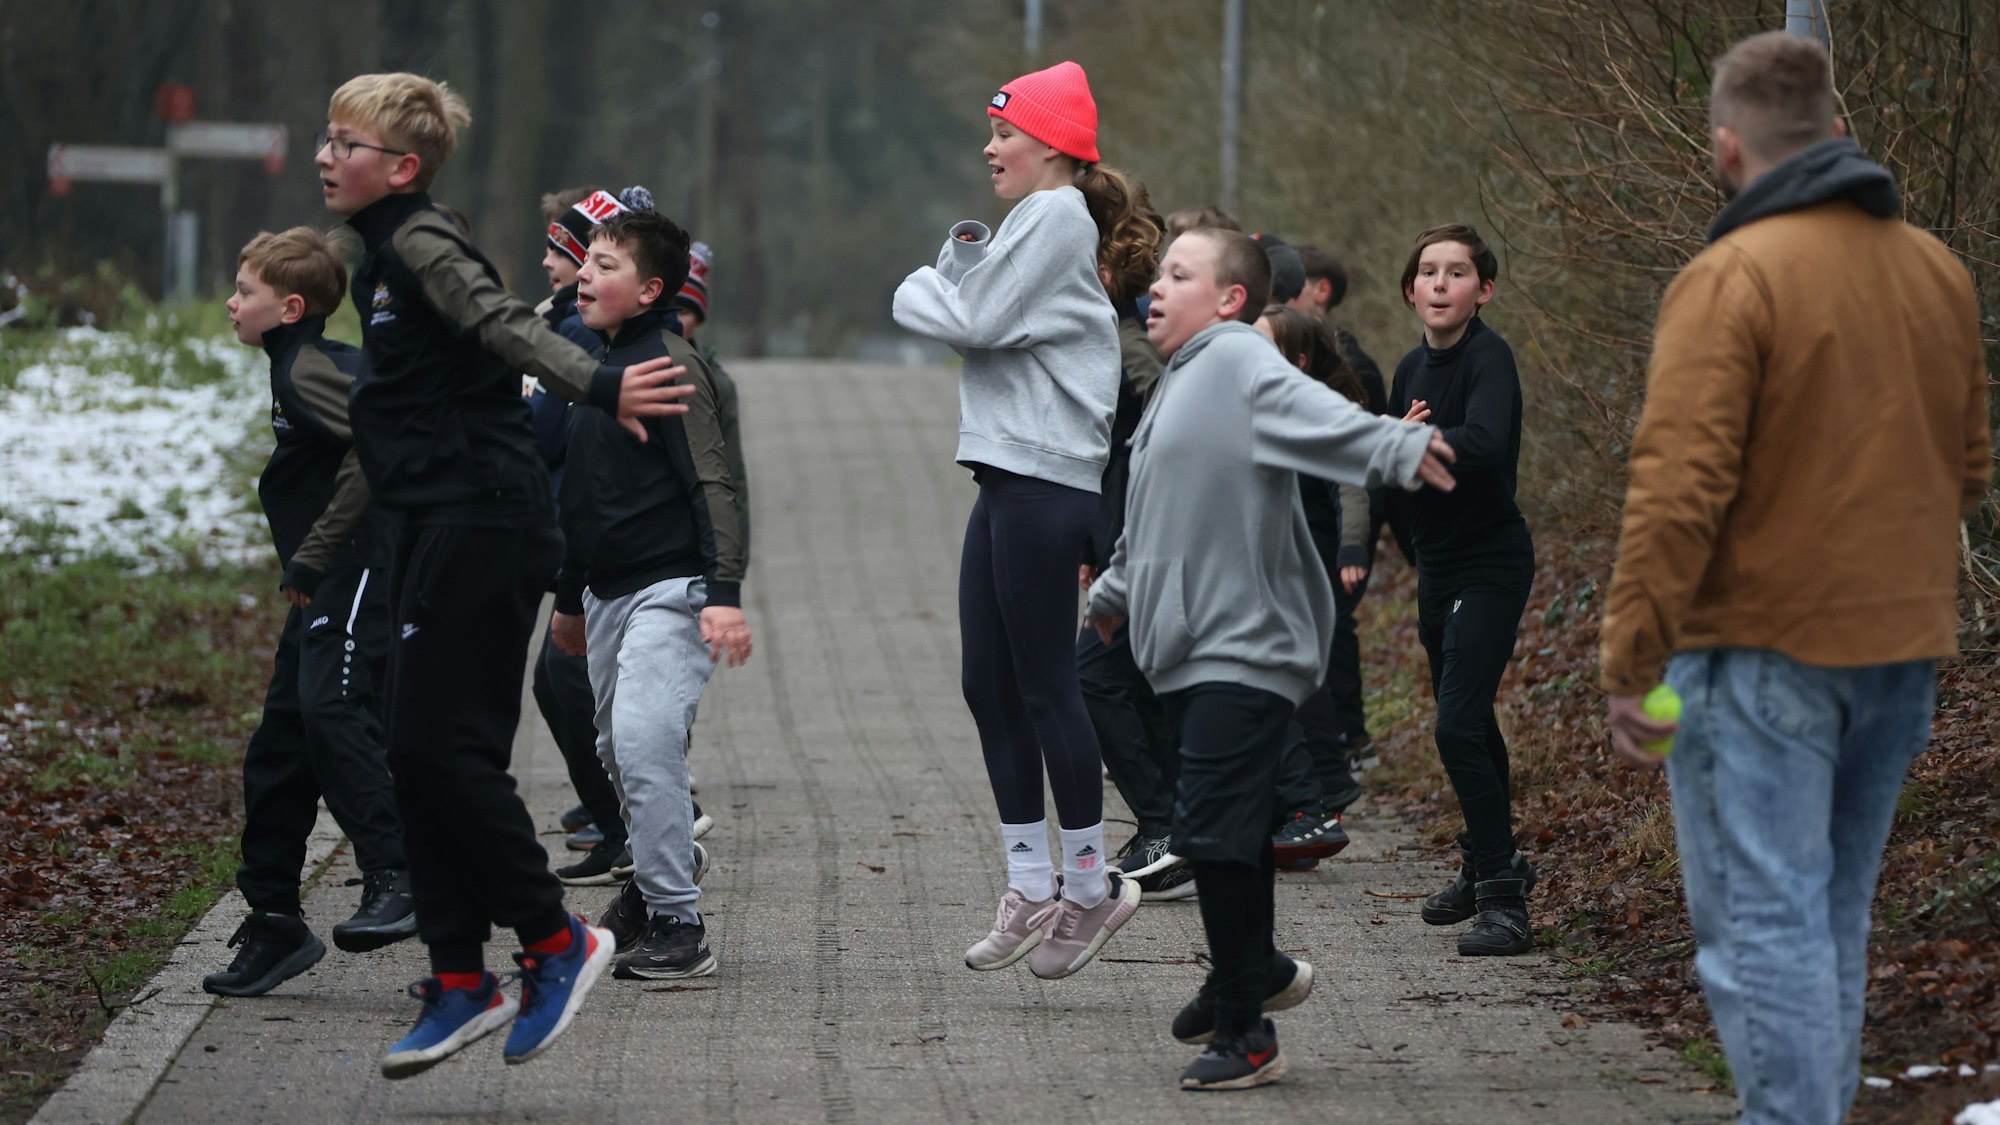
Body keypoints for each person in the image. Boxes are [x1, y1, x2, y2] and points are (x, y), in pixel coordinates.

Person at [1600, 31, 1990, 1125]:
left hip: (1755, 647)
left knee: (1760, 927)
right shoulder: (1937, 272)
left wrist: (1631, 657)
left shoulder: (1728, 278)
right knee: (1828, 920)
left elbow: (1676, 490)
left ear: (1726, 150)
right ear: (1837, 132)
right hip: (1899, 647)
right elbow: (1965, 469)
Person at [317, 71, 693, 1077]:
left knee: (447, 753)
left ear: (399, 165)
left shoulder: (424, 243)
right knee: (410, 754)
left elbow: (508, 325)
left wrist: (599, 379)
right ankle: (457, 980)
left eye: (342, 142)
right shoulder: (378, 260)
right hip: (430, 527)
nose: (323, 157)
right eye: (325, 139)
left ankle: (553, 941)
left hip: (486, 523)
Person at [1083, 227, 1455, 1089]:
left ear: (1230, 300)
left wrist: (1391, 445)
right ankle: (1254, 972)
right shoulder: (1180, 381)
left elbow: (1316, 414)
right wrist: (1112, 596)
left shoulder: (1235, 363)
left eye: (1181, 274)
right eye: (1160, 274)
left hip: (1244, 643)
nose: (1158, 288)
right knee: (1232, 827)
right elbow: (1158, 512)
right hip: (1193, 644)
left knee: (1211, 825)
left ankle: (1246, 1027)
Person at [892, 60, 1140, 979]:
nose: (989, 148)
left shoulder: (1056, 213)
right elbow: (979, 310)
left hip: (1044, 484)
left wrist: (924, 283)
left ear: (1052, 146)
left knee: (1045, 688)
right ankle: (1032, 881)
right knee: (987, 685)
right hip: (1006, 480)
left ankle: (1089, 887)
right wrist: (955, 284)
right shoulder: (1032, 219)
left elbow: (975, 317)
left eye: (1004, 133)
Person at [203, 227, 413, 999]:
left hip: (361, 567)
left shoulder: (307, 369)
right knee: (278, 750)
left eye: (246, 291)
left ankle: (397, 871)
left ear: (290, 307)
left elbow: (377, 447)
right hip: (324, 581)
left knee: (331, 708)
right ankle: (275, 918)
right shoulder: (297, 364)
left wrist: (317, 552)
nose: (232, 301)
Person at [548, 204, 750, 980]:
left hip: (674, 589)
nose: (586, 275)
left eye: (606, 265)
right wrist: (570, 599)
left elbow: (712, 481)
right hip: (606, 595)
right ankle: (657, 875)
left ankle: (677, 921)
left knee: (643, 742)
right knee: (613, 749)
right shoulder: (595, 372)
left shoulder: (668, 364)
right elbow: (584, 500)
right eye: (586, 261)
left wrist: (723, 591)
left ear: (650, 288)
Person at [1388, 223, 1540, 957]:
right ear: (1411, 289)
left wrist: (1419, 440)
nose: (1441, 283)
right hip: (1438, 566)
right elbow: (1389, 466)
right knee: (1473, 723)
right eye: (1429, 272)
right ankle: (1491, 861)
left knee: (1455, 724)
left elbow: (1483, 443)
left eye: (1458, 272)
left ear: (1485, 290)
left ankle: (1504, 904)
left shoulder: (1490, 358)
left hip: (1491, 560)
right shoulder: (1406, 370)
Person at [1072, 185, 1191, 901]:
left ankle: (1167, 824)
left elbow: (1152, 436)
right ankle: (1175, 827)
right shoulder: (1112, 334)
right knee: (1138, 681)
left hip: (1145, 540)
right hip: (1121, 537)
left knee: (1097, 676)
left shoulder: (1126, 341)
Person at [1254, 306, 1369, 869]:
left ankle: (1322, 797)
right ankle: (1300, 810)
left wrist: (1352, 550)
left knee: (1300, 678)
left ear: (1297, 361)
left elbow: (1353, 483)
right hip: (1271, 562)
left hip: (1310, 561)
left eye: (1262, 345)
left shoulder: (1317, 412)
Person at [1292, 244, 1391, 771]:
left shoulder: (1351, 369)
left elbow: (1359, 467)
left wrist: (1358, 541)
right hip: (1306, 529)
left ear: (1319, 290)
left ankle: (1345, 745)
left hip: (1335, 533)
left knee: (1330, 632)